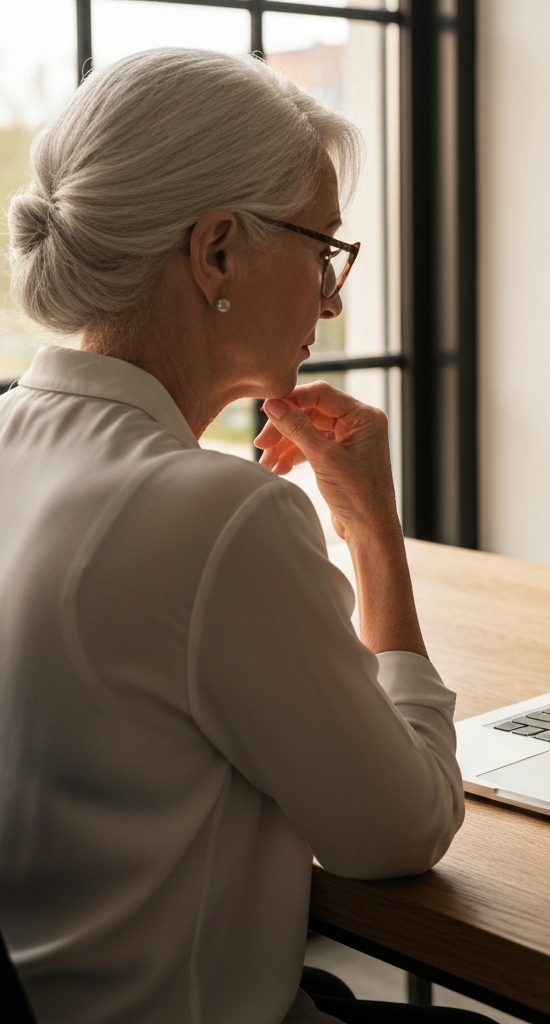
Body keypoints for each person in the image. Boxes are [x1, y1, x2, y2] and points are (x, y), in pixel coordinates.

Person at [0, 48, 491, 1024]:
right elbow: (401, 826)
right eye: (322, 249)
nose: (330, 298)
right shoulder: (216, 517)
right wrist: (374, 534)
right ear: (217, 250)